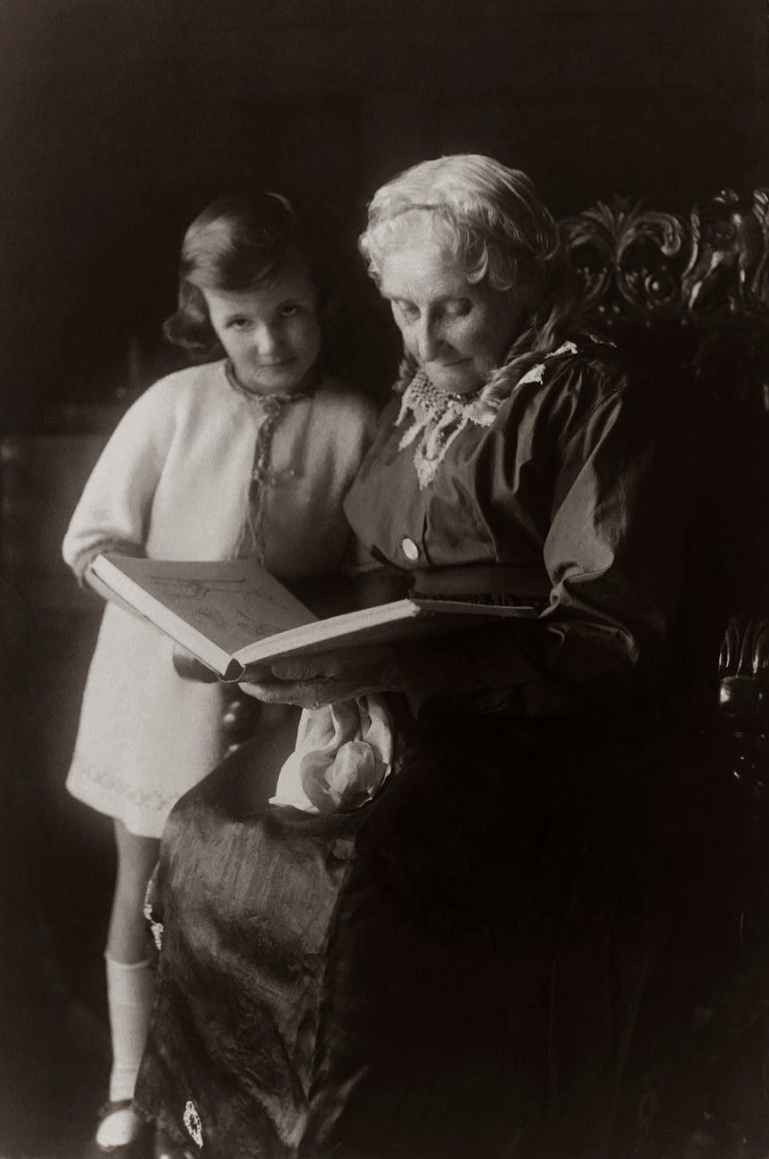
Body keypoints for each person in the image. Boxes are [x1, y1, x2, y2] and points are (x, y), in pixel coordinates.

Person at [136, 155, 693, 1158]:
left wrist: (405, 673)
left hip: (541, 736)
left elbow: (608, 633)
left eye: (455, 309)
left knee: (356, 881)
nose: (423, 342)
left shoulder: (595, 392)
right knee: (208, 827)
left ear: (522, 277)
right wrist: (266, 644)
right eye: (401, 309)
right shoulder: (426, 392)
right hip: (405, 699)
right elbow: (383, 563)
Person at [61, 191, 378, 1158]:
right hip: (158, 687)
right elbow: (93, 539)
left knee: (238, 902)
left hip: (280, 698)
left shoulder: (357, 422)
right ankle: (126, 1081)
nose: (270, 342)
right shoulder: (172, 407)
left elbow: (367, 564)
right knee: (142, 876)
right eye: (239, 321)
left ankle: (215, 1085)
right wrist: (162, 600)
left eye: (287, 312)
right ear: (206, 318)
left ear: (319, 300)